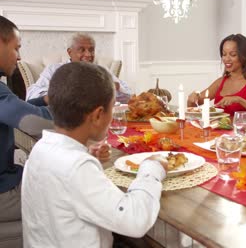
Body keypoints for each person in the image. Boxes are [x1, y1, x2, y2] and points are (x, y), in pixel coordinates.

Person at [21, 62, 168, 247]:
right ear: (98, 115)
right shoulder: (77, 167)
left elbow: (65, 189)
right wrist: (151, 168)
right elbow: (135, 221)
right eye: (113, 107)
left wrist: (88, 155)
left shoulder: (41, 149)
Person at [0, 15, 53, 248]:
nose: (19, 57)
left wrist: (45, 100)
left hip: (7, 177)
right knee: (70, 190)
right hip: (3, 191)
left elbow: (18, 107)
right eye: (16, 48)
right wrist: (79, 111)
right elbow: (33, 122)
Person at [187, 34, 246, 122]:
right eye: (224, 54)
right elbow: (193, 107)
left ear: (244, 56)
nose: (226, 59)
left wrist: (240, 101)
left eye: (233, 55)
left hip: (244, 133)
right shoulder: (220, 82)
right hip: (220, 133)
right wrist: (192, 98)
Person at [26, 33, 132, 105]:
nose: (88, 54)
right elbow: (32, 96)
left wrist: (116, 88)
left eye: (91, 50)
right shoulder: (54, 69)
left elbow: (129, 97)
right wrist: (63, 94)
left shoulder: (102, 70)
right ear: (70, 52)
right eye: (82, 50)